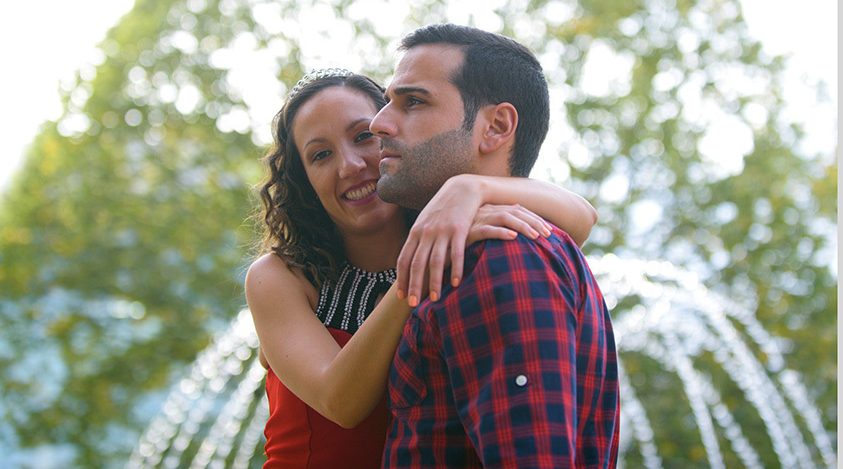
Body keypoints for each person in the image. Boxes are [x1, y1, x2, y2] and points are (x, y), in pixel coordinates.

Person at [245, 67, 599, 469]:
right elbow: (339, 401)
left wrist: (473, 187)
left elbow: (581, 217)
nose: (350, 165)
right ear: (304, 179)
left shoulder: (452, 225)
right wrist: (421, 265)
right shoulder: (279, 275)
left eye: (363, 136)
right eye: (321, 155)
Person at [369, 23, 620, 468]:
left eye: (413, 101)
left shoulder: (501, 253)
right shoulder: (477, 251)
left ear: (495, 127)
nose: (379, 123)